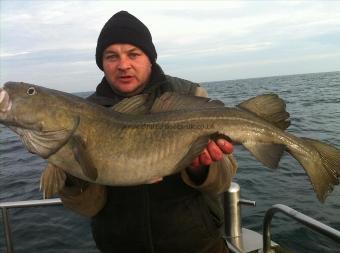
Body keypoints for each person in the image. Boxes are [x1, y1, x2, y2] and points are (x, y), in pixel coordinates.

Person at [60, 11, 237, 253]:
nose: (123, 65)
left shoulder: (189, 96)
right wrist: (71, 167)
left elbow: (223, 180)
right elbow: (86, 207)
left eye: (134, 54)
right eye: (111, 56)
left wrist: (201, 167)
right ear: (102, 63)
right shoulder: (84, 115)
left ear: (150, 58)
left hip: (198, 244)